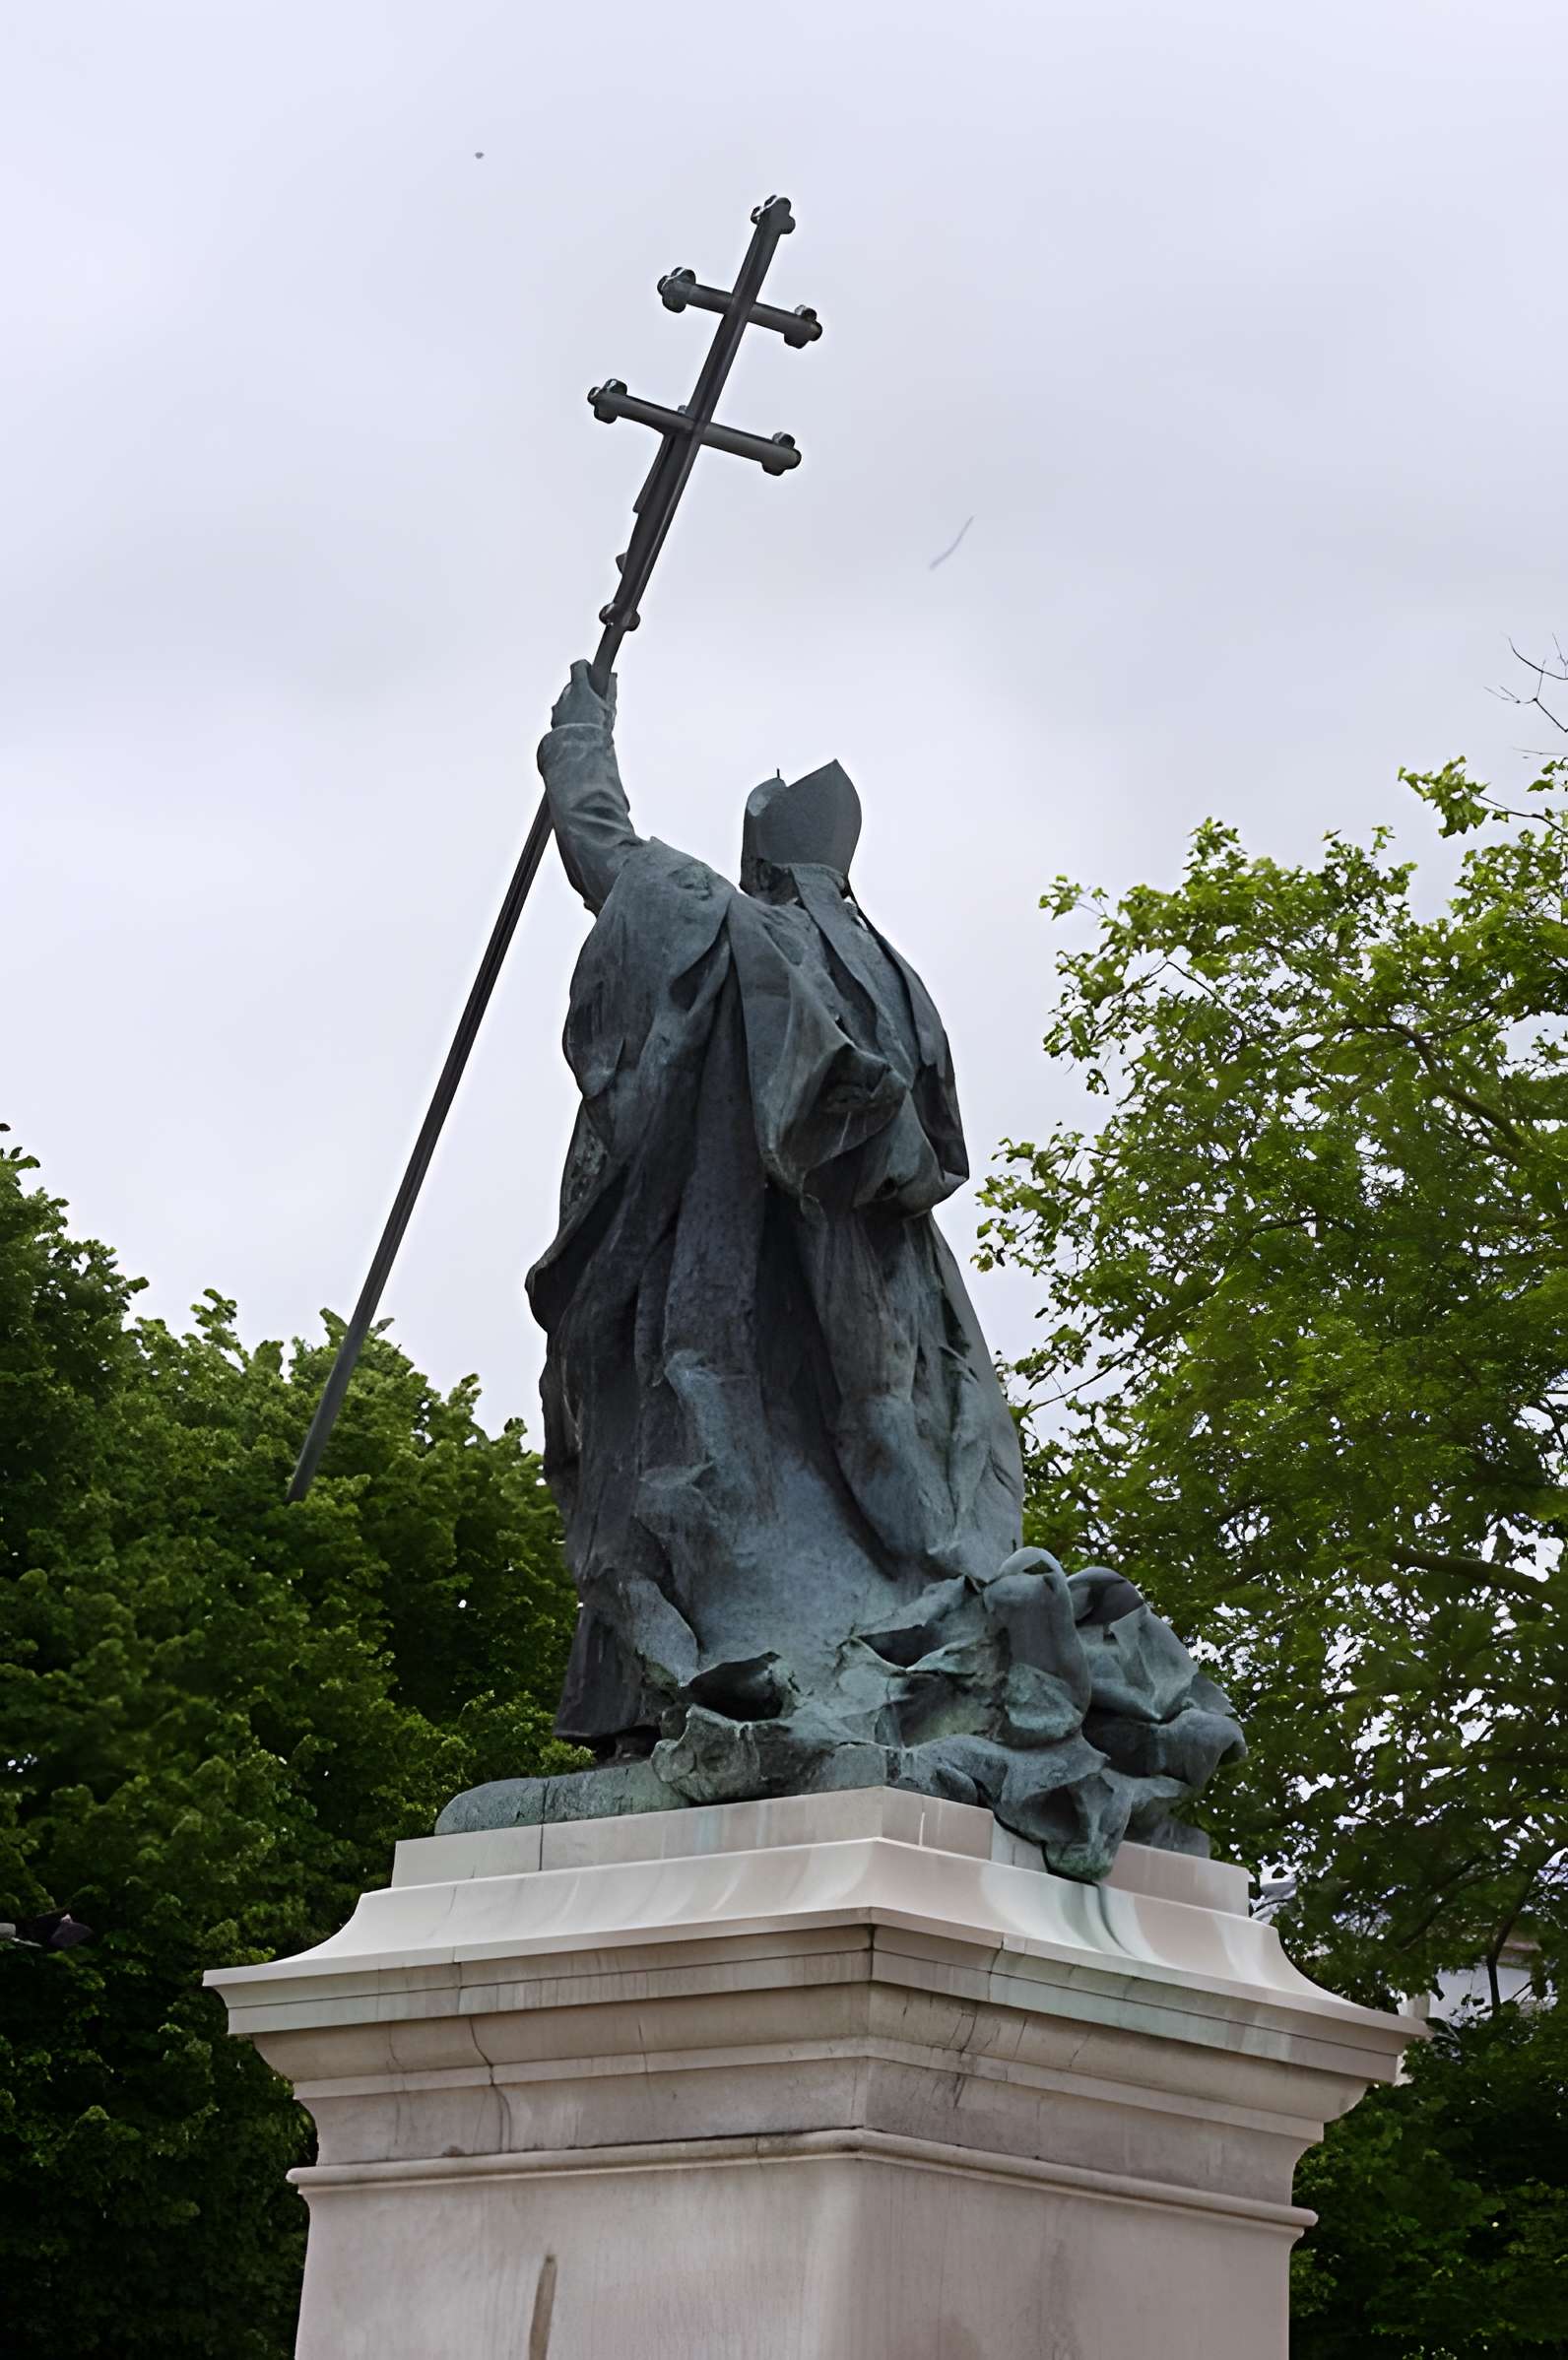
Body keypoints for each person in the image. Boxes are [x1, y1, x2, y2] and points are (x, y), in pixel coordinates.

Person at [526, 662, 1241, 1874]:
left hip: (732, 1290)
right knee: (894, 1497)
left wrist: (573, 746)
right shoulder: (895, 972)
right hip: (893, 1297)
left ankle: (700, 1690)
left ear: (759, 856)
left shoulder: (721, 917)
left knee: (694, 1482)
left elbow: (608, 853)